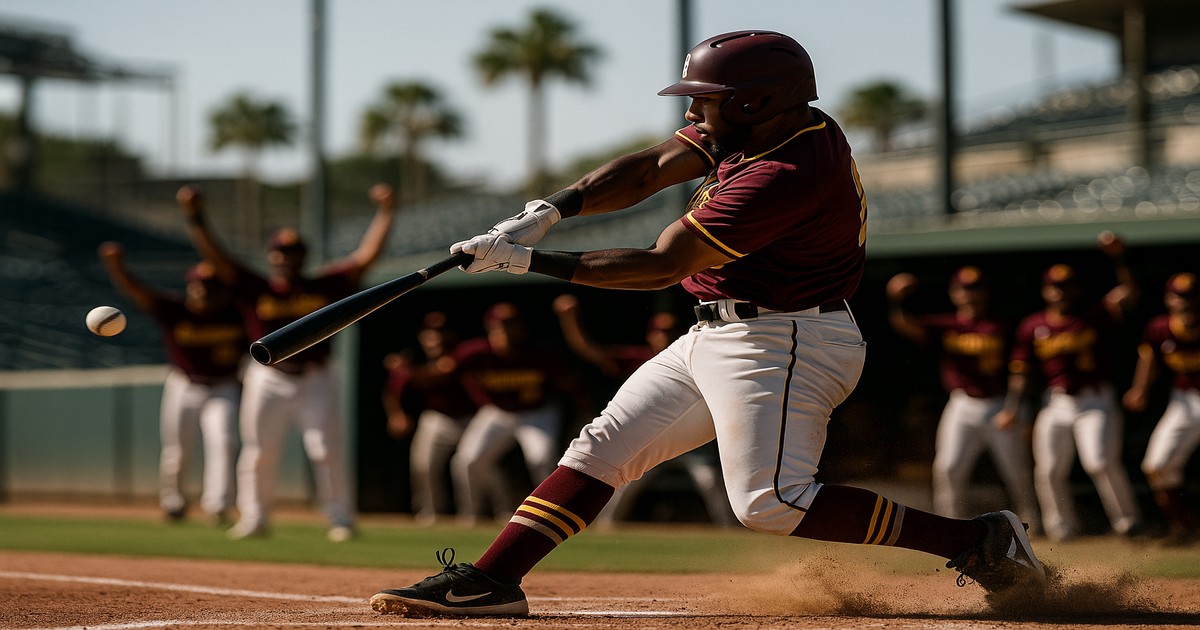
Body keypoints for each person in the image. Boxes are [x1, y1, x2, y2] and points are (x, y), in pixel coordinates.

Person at [369, 30, 1045, 618]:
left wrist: (526, 260)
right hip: (718, 334)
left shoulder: (786, 173)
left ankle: (976, 542)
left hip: (787, 339)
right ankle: (493, 580)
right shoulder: (772, 123)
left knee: (772, 504)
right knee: (599, 450)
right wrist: (550, 207)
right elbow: (654, 167)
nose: (693, 109)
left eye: (706, 98)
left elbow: (662, 264)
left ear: (754, 102)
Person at [176, 183, 397, 541]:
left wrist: (386, 212)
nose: (286, 257)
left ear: (303, 257)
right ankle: (255, 517)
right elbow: (218, 259)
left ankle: (340, 519)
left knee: (325, 450)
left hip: (317, 376)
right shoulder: (256, 288)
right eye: (280, 252)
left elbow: (366, 257)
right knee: (259, 452)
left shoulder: (325, 287)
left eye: (293, 252)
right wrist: (195, 216)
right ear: (271, 257)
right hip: (268, 378)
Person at [993, 232, 1142, 542]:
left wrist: (1118, 258)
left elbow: (1129, 293)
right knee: (1048, 470)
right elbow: (1021, 370)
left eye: (1065, 286)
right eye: (1053, 287)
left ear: (1076, 288)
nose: (1059, 292)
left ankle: (1129, 523)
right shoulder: (1034, 325)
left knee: (1100, 462)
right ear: (1045, 290)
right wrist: (1011, 408)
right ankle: (1062, 529)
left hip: (1095, 399)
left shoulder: (1096, 314)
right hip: (1055, 402)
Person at [552, 293, 736, 527]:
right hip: (651, 441)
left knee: (710, 481)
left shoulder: (698, 358)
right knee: (625, 483)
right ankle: (605, 530)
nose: (665, 337)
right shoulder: (641, 359)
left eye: (670, 332)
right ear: (650, 335)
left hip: (692, 444)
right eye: (660, 332)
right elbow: (589, 350)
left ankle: (732, 530)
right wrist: (570, 319)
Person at [98, 242, 245, 525]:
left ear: (223, 290)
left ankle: (218, 505)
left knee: (224, 442)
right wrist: (116, 268)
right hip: (184, 385)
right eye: (198, 285)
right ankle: (174, 502)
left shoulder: (236, 313)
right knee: (177, 449)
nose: (203, 291)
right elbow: (137, 292)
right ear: (189, 288)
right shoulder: (175, 311)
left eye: (211, 286)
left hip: (223, 385)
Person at [886, 267, 1040, 532]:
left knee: (1017, 472)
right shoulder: (947, 325)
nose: (970, 295)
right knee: (948, 467)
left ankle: (1034, 524)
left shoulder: (1002, 325)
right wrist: (895, 300)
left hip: (1001, 404)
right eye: (963, 289)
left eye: (975, 289)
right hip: (962, 403)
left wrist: (1013, 406)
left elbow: (1020, 369)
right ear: (953, 293)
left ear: (986, 292)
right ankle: (950, 526)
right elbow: (906, 326)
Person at [449, 302, 588, 525]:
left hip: (538, 413)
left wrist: (583, 408)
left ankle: (549, 517)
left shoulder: (542, 351)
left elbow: (570, 383)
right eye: (499, 327)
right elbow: (442, 372)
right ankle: (471, 515)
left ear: (522, 327)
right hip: (497, 412)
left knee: (541, 459)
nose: (504, 331)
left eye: (510, 325)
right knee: (467, 461)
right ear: (489, 329)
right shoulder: (475, 351)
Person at [1122, 272, 1200, 543]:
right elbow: (1149, 360)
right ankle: (1182, 526)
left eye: (1189, 297)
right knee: (1157, 466)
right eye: (1178, 297)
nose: (1184, 303)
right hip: (1184, 400)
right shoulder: (1159, 328)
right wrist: (1139, 389)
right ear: (1168, 300)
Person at [381, 311, 478, 524]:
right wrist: (397, 414)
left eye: (441, 331)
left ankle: (476, 515)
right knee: (423, 464)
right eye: (430, 332)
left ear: (452, 333)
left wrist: (405, 371)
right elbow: (392, 391)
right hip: (438, 417)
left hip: (473, 418)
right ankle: (430, 514)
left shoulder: (463, 352)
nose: (435, 336)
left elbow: (441, 372)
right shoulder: (414, 357)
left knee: (474, 464)